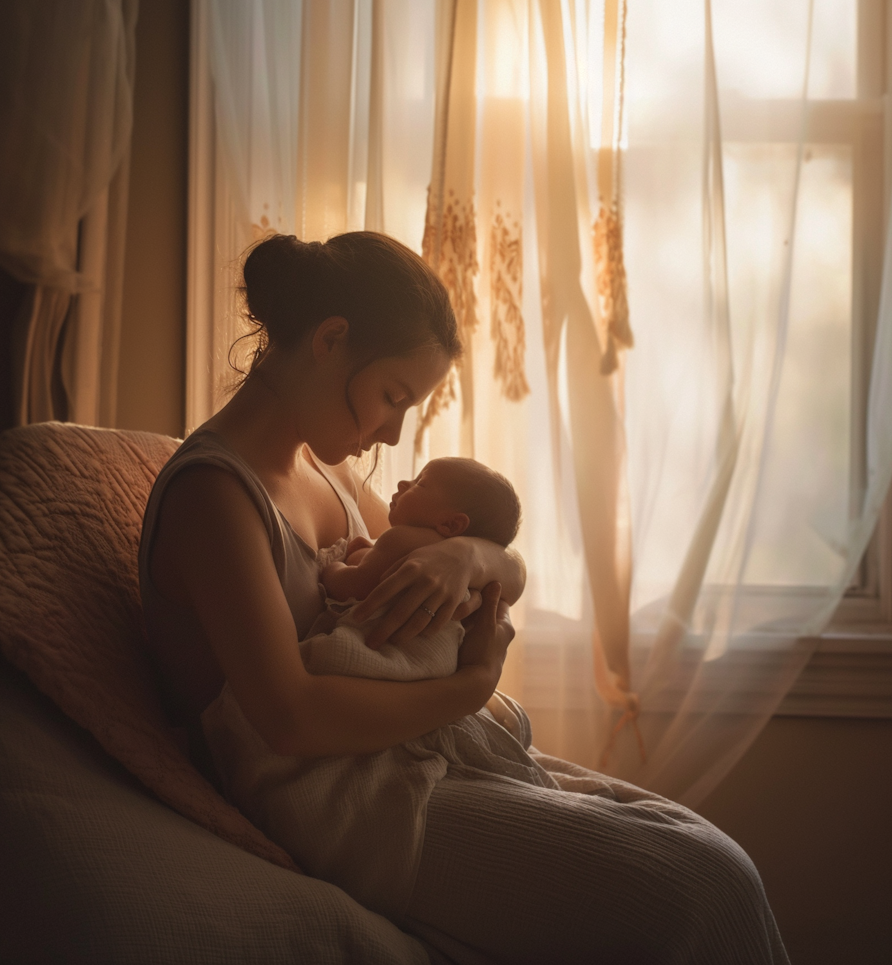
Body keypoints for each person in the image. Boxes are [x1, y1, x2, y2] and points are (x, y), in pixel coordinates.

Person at [138, 231, 787, 964]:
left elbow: (499, 572)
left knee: (714, 855)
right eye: (391, 396)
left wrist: (471, 553)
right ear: (329, 340)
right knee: (701, 889)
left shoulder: (333, 478)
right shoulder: (214, 498)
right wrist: (473, 686)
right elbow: (289, 718)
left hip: (408, 760)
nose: (392, 430)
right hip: (345, 804)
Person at [321, 456, 521, 605]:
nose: (403, 483)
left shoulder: (400, 538)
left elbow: (354, 586)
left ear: (451, 525)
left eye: (421, 483)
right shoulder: (441, 553)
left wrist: (332, 569)